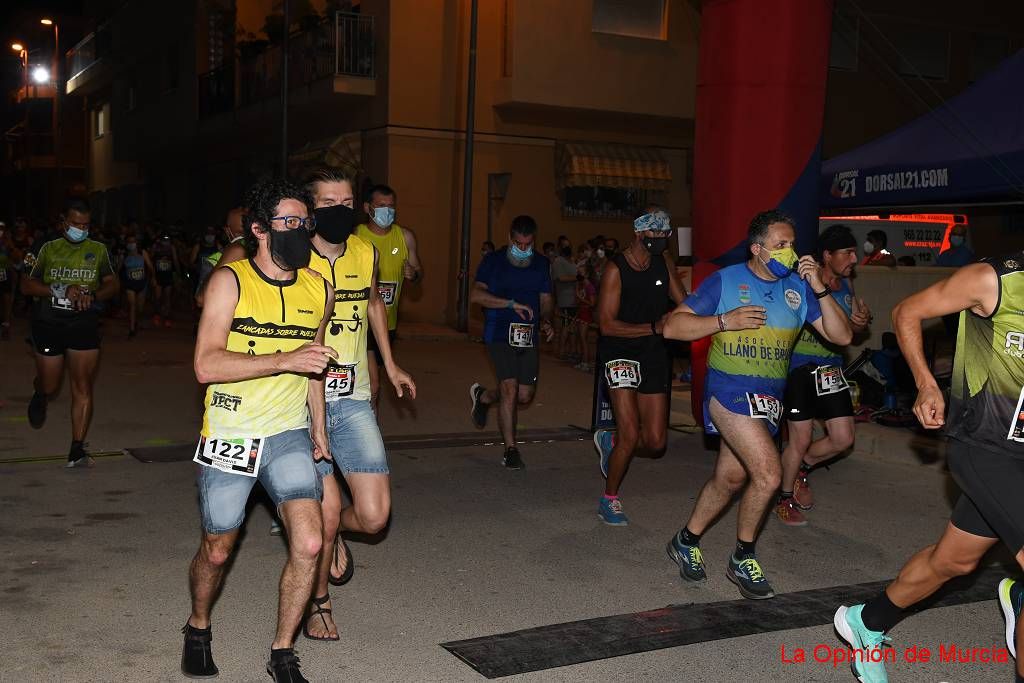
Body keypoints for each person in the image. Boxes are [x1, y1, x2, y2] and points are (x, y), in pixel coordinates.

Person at [834, 252, 1024, 683]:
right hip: (986, 447)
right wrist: (925, 384)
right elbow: (907, 312)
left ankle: (869, 622)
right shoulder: (994, 281)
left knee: (953, 562)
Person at [181, 178, 336, 681]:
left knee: (310, 542)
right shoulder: (231, 280)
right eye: (288, 222)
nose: (300, 231)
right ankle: (198, 625)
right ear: (259, 230)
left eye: (304, 223)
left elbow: (313, 365)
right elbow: (205, 365)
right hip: (232, 429)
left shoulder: (320, 287)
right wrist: (281, 358)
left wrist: (320, 429)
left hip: (288, 432)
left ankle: (282, 651)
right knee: (218, 548)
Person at [662, 209, 851, 599]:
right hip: (728, 390)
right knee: (767, 473)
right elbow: (672, 326)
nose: (789, 252)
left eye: (792, 245)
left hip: (769, 398)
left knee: (730, 478)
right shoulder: (726, 281)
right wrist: (722, 322)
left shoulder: (798, 290)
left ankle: (685, 540)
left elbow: (842, 335)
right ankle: (742, 556)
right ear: (757, 249)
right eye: (780, 245)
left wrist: (818, 286)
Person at [302, 169, 416, 640]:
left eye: (347, 201)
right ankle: (318, 603)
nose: (340, 209)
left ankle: (337, 537)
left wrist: (388, 364)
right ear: (310, 210)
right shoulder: (294, 257)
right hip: (301, 404)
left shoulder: (365, 251)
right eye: (329, 202)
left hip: (352, 398)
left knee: (373, 517)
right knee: (324, 517)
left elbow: (372, 304)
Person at [592, 208, 686, 525]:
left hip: (654, 353)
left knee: (656, 442)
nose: (660, 241)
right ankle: (610, 499)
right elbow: (606, 324)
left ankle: (611, 442)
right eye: (655, 236)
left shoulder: (664, 262)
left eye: (665, 236)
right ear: (639, 233)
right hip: (620, 351)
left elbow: (683, 302)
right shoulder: (615, 270)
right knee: (632, 434)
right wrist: (654, 327)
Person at [776, 224, 871, 526]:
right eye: (848, 253)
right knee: (800, 438)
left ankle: (800, 470)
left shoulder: (847, 285)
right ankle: (783, 497)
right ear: (827, 255)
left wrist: (860, 322)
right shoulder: (802, 281)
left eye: (854, 252)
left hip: (831, 368)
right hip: (799, 368)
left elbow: (849, 333)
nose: (854, 259)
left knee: (843, 438)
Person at [20, 200, 119, 467]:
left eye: (86, 225)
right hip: (49, 323)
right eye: (76, 224)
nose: (81, 229)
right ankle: (40, 392)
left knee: (82, 385)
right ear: (64, 221)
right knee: (51, 385)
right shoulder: (44, 245)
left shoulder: (98, 249)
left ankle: (77, 448)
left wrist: (94, 295)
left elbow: (112, 283)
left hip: (83, 323)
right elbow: (26, 285)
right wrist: (60, 289)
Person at [468, 215, 554, 469]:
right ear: (510, 238)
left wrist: (547, 321)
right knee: (510, 388)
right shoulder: (493, 261)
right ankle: (511, 449)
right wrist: (509, 303)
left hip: (527, 336)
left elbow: (546, 300)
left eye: (529, 244)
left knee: (524, 395)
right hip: (498, 332)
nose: (524, 249)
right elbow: (475, 295)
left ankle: (484, 397)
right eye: (519, 243)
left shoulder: (541, 264)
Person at [355, 184, 422, 414]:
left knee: (372, 386)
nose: (387, 211)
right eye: (381, 206)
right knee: (373, 385)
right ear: (367, 208)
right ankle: (368, 436)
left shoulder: (405, 237)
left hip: (388, 323)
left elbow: (418, 270)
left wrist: (413, 274)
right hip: (361, 323)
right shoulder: (356, 236)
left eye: (391, 206)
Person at [120, 234, 153, 338]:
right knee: (132, 305)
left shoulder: (142, 253)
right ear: (126, 244)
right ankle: (132, 329)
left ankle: (136, 322)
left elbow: (150, 267)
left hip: (142, 283)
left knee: (140, 308)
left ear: (136, 243)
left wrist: (153, 278)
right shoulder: (124, 255)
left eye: (133, 242)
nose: (131, 244)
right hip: (129, 284)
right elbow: (118, 270)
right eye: (129, 242)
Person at [551, 244, 579, 360]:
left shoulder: (571, 261)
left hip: (574, 299)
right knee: (566, 326)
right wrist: (578, 277)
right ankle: (561, 352)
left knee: (572, 327)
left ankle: (572, 351)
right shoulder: (558, 261)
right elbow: (560, 278)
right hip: (565, 299)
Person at [149, 233, 178, 327]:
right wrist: (152, 276)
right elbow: (151, 259)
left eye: (167, 240)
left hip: (168, 275)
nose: (165, 242)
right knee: (157, 297)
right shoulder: (156, 247)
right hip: (158, 275)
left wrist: (178, 273)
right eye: (164, 239)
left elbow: (175, 260)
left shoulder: (172, 248)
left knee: (167, 297)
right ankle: (156, 315)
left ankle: (167, 317)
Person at [0, 221, 14, 340]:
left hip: (4, 273)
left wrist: (10, 245)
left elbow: (17, 258)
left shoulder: (7, 242)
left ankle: (6, 324)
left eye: (2, 229)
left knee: (6, 298)